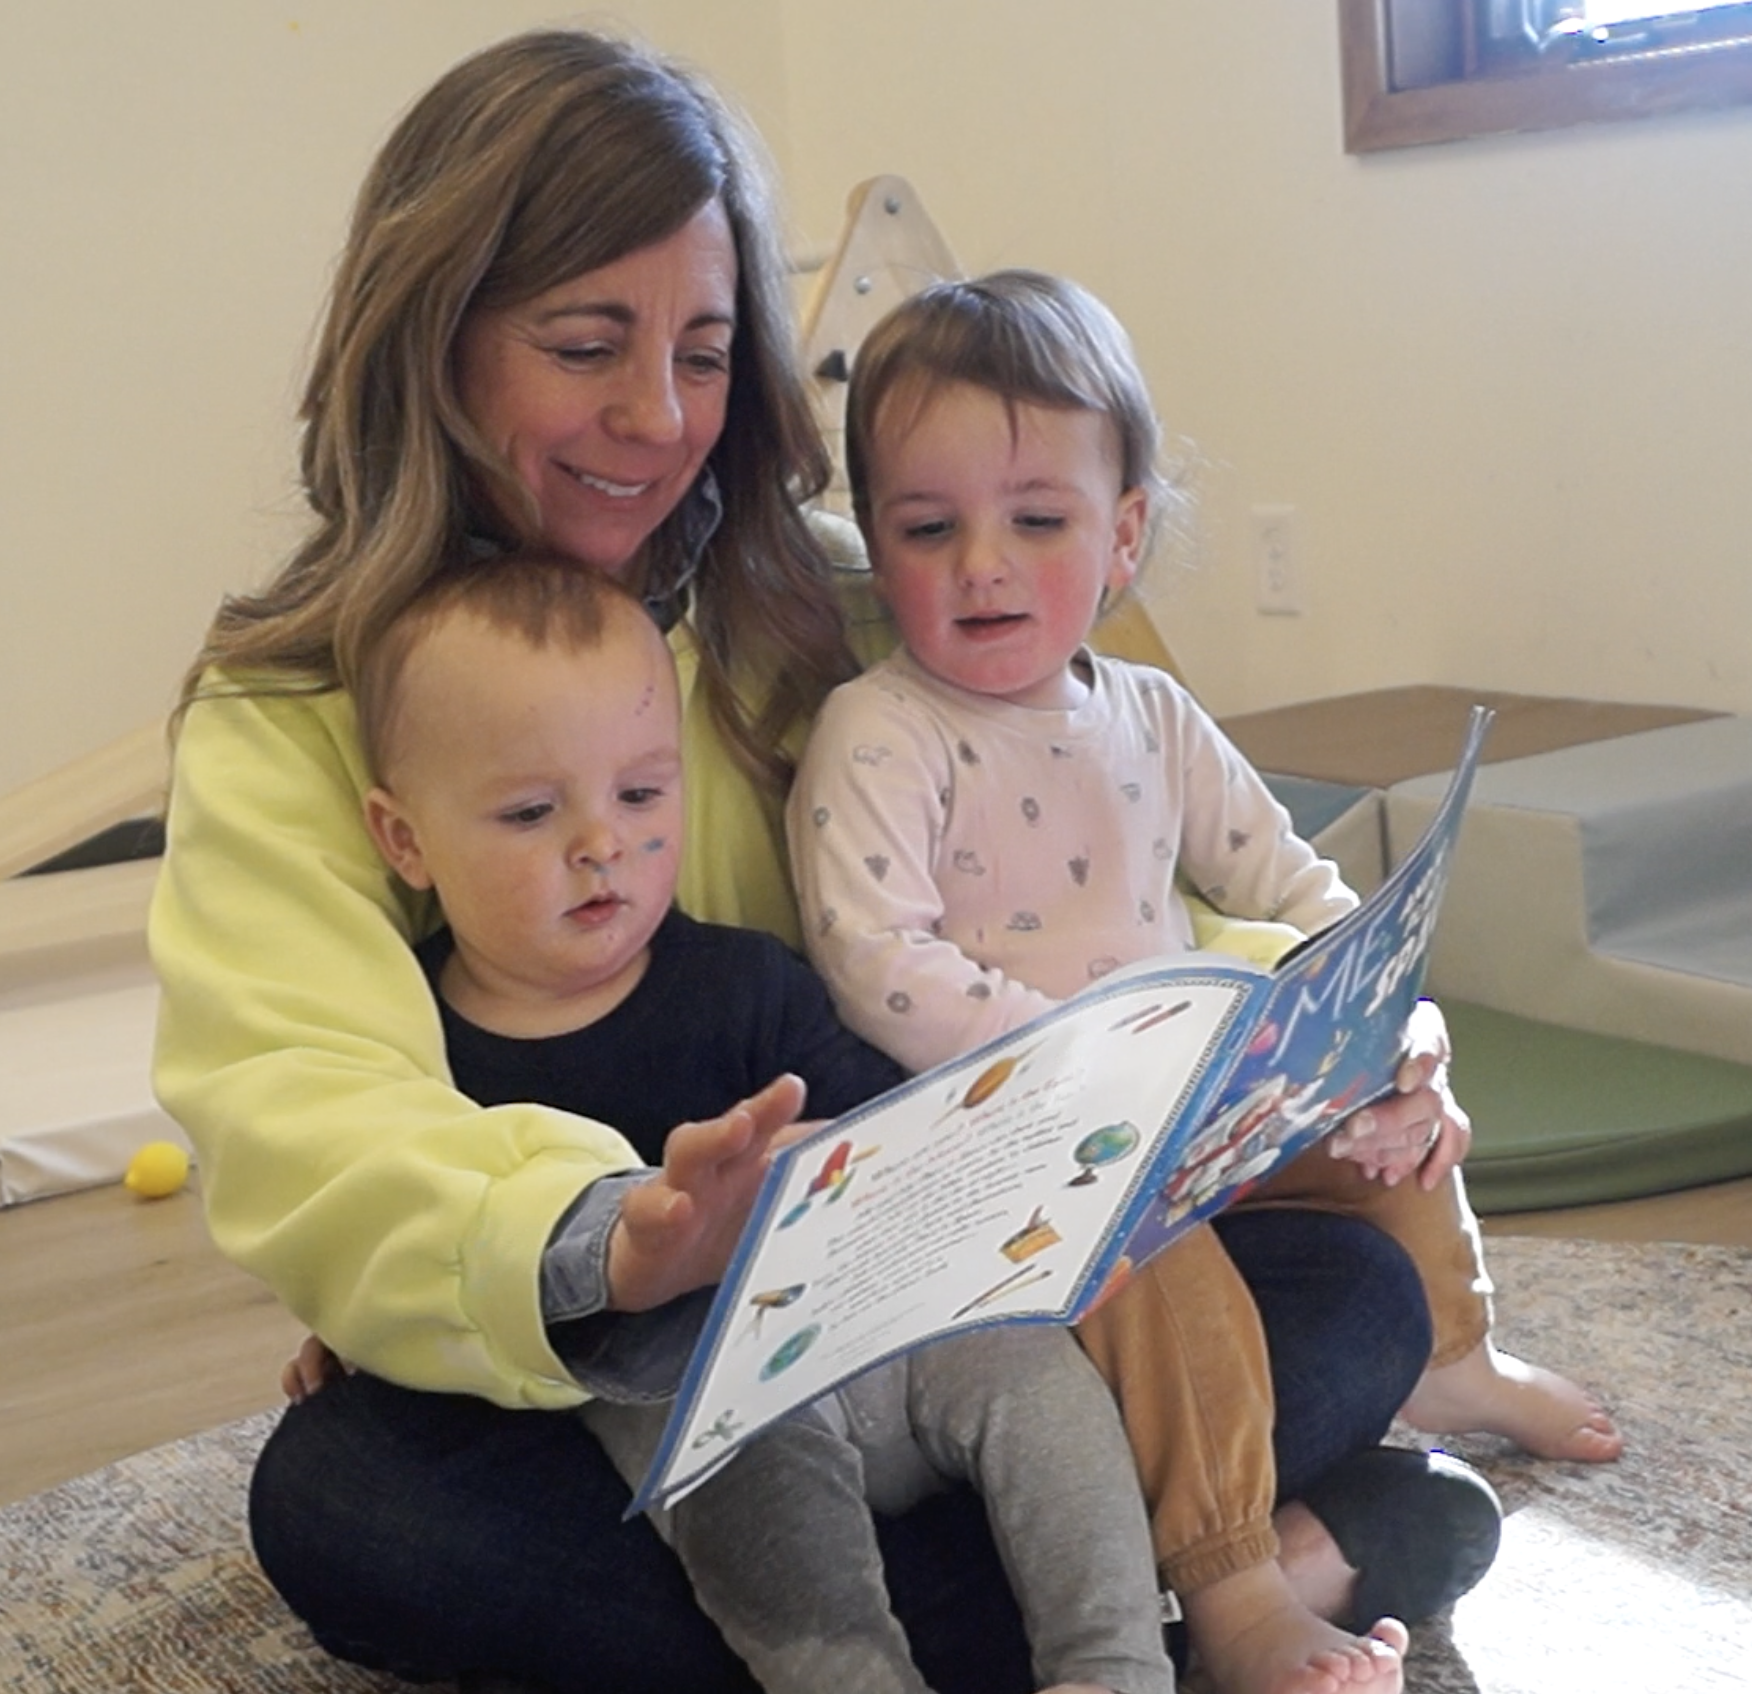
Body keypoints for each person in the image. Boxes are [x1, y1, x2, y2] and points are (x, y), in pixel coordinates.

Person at [150, 28, 1471, 1694]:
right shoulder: (290, 713)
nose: (655, 417)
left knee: (1354, 1286)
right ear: (434, 345)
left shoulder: (853, 592)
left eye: (704, 352)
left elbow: (1119, 854)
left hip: (948, 1319)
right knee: (344, 1502)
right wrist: (578, 1244)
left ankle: (1103, 1580)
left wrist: (1342, 1049)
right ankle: (1269, 1553)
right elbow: (312, 1120)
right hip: (627, 1367)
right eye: (584, 345)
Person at [786, 269, 1611, 1694]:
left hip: (1190, 1112)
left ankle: (1456, 1354)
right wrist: (1087, 1063)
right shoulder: (877, 728)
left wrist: (1380, 1029)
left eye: (1035, 520)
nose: (981, 562)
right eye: (929, 528)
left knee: (1384, 1116)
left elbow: (1297, 889)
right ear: (877, 540)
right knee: (1142, 1240)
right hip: (1034, 1158)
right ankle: (1228, 1577)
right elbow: (877, 962)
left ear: (1120, 537)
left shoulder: (1150, 715)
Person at [342, 552, 1176, 1694]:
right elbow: (406, 1230)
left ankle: (1113, 1664)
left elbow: (903, 1133)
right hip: (698, 1410)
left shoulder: (743, 981)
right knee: (721, 1464)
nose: (600, 843)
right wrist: (358, 1328)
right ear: (403, 840)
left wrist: (843, 1158)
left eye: (640, 794)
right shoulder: (416, 1044)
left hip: (877, 1344)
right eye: (532, 811)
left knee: (1031, 1359)